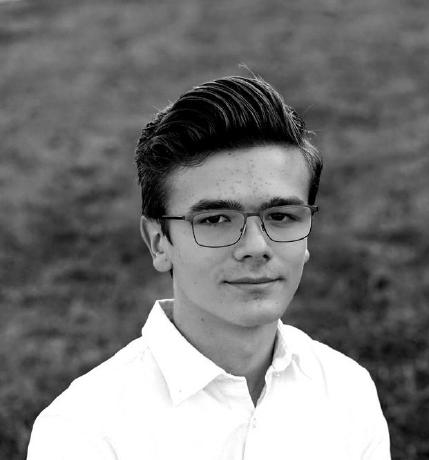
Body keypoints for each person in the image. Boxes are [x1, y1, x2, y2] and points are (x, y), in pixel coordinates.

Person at [27, 75, 391, 459]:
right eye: (216, 220)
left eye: (281, 216)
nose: (256, 247)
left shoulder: (348, 390)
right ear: (159, 242)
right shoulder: (83, 432)